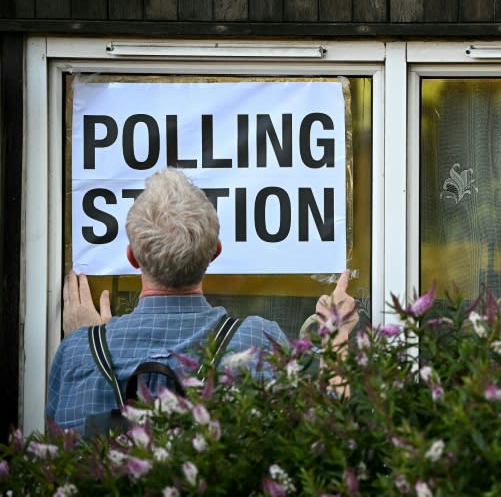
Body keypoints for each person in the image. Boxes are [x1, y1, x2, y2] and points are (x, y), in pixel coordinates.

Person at [46, 167, 358, 433]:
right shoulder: (259, 341)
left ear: (132, 257)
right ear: (215, 252)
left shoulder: (78, 352)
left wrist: (86, 344)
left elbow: (52, 465)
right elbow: (327, 437)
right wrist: (337, 339)